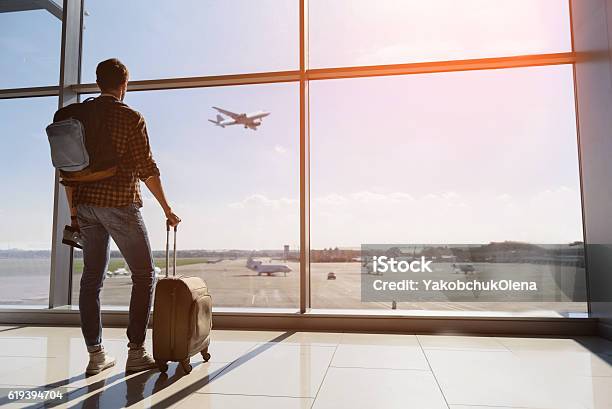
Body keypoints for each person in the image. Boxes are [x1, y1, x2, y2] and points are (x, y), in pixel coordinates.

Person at [63, 58, 180, 375]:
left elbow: (68, 170)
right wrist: (167, 208)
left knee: (91, 280)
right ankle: (136, 351)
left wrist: (74, 212)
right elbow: (147, 169)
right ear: (124, 85)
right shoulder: (130, 117)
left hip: (86, 205)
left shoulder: (79, 116)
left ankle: (95, 354)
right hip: (119, 203)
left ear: (98, 82)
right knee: (144, 275)